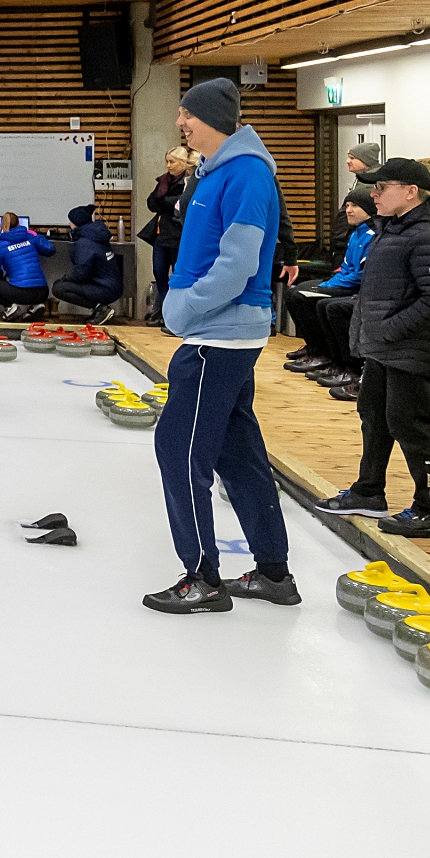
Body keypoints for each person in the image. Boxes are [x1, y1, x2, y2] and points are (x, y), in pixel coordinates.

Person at [146, 77, 294, 615]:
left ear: (212, 117)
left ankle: (203, 578)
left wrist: (183, 307)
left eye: (187, 114)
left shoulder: (247, 173)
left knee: (180, 449)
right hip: (219, 332)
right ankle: (274, 573)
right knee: (238, 453)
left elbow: (239, 264)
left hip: (218, 335)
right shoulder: (217, 171)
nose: (180, 122)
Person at [313, 157, 430, 538]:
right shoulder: (393, 227)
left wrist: (390, 329)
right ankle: (368, 491)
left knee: (407, 425)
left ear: (411, 192)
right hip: (384, 345)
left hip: (409, 347)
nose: (373, 195)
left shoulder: (429, 235)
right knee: (374, 415)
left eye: (381, 188)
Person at [282, 186, 374, 386]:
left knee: (309, 299)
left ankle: (329, 356)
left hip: (354, 289)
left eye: (355, 206)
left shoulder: (371, 235)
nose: (349, 210)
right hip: (343, 282)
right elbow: (347, 267)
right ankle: (315, 348)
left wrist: (328, 285)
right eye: (347, 205)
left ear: (369, 209)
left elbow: (359, 275)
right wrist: (330, 282)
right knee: (294, 291)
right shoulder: (355, 234)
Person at [143, 146, 196, 326]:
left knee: (177, 276)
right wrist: (166, 203)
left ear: (182, 163)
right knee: (159, 273)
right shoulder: (163, 181)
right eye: (167, 162)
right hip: (161, 235)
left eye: (172, 162)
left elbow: (180, 204)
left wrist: (164, 203)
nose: (168, 166)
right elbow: (151, 202)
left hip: (178, 235)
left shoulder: (189, 182)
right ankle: (164, 313)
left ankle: (174, 316)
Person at [50, 203, 123, 324]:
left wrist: (64, 279)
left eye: (71, 221)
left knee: (59, 288)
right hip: (111, 286)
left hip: (105, 289)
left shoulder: (85, 242)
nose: (69, 224)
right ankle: (99, 310)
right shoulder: (96, 235)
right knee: (62, 284)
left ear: (76, 223)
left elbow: (80, 273)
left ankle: (101, 308)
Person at [0, 213, 51, 322]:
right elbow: (50, 249)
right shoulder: (31, 237)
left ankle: (14, 307)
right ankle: (32, 306)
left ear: (1, 225)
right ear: (19, 223)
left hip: (20, 293)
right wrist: (36, 236)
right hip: (42, 292)